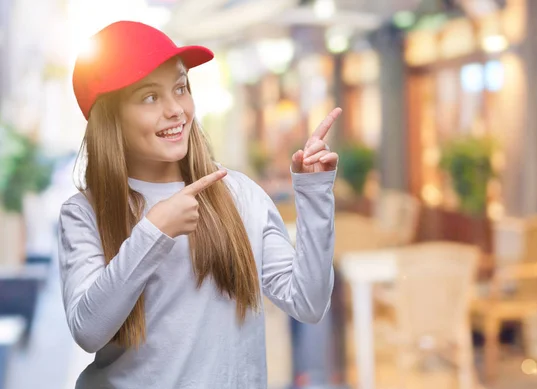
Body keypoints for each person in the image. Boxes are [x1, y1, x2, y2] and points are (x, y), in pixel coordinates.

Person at [57, 20, 341, 389]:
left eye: (180, 88)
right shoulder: (83, 214)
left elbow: (309, 302)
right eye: (149, 97)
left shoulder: (237, 193)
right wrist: (153, 232)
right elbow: (87, 330)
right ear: (111, 119)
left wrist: (315, 191)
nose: (176, 110)